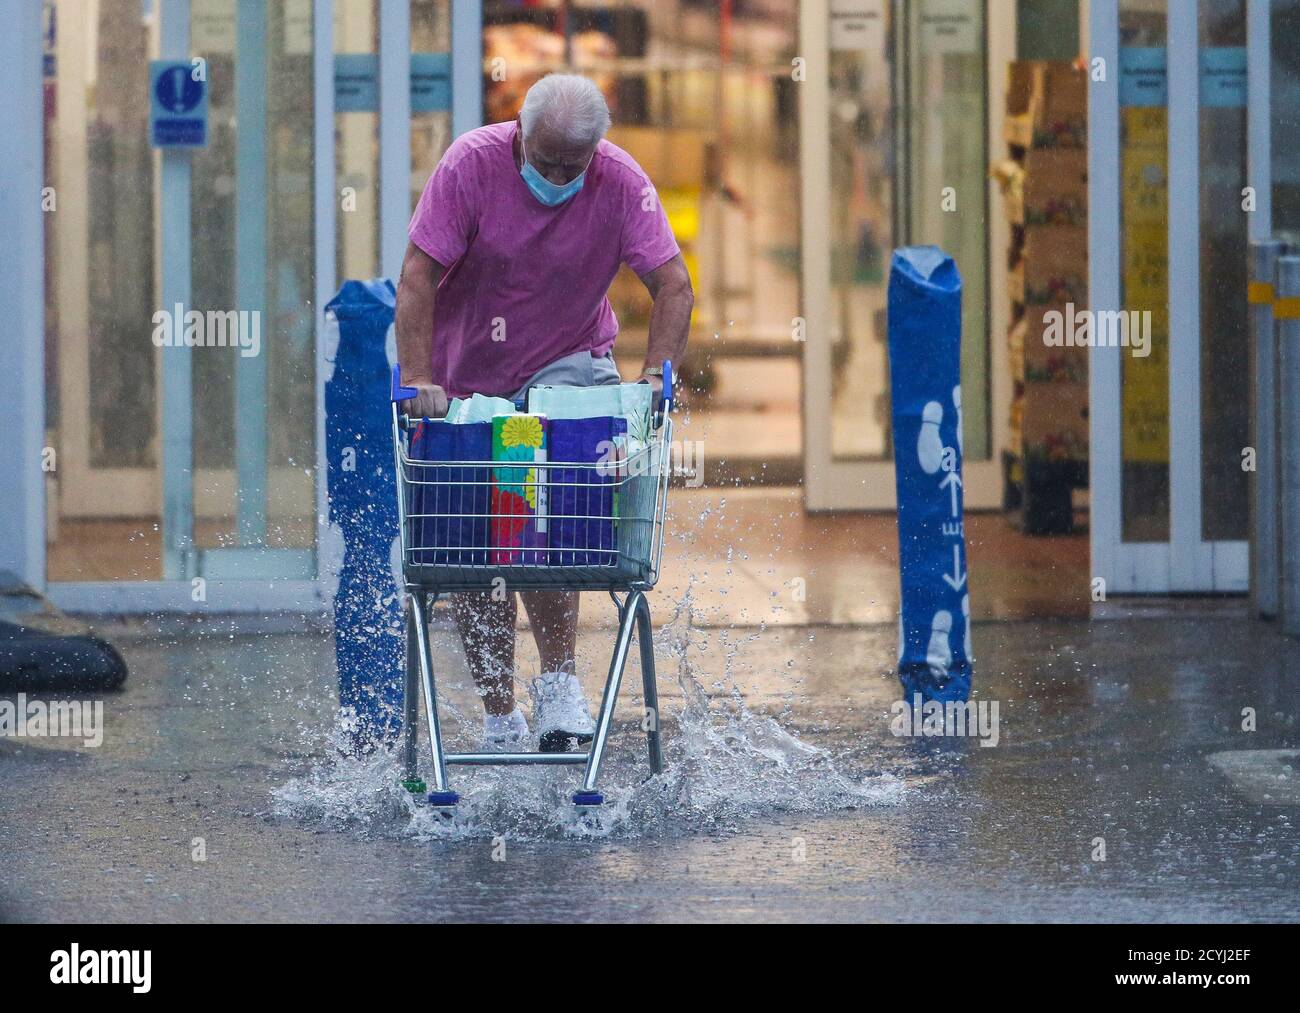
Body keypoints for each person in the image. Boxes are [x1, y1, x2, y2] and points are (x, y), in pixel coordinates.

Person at [395, 74, 692, 751]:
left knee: (544, 516)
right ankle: (500, 710)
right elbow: (417, 274)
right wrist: (418, 378)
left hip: (563, 359)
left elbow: (672, 282)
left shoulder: (619, 182)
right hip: (468, 371)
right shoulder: (470, 165)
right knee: (473, 546)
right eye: (545, 160)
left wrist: (655, 377)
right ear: (519, 134)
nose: (556, 176)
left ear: (596, 150)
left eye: (571, 165)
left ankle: (558, 683)